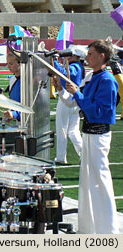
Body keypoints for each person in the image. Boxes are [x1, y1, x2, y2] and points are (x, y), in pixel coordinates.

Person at [54, 39, 119, 234]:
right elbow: (72, 103)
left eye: (90, 54)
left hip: (99, 136)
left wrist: (77, 94)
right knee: (87, 182)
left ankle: (109, 230)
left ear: (102, 56)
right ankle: (89, 228)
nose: (87, 57)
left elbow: (99, 112)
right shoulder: (92, 76)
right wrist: (60, 89)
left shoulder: (108, 80)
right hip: (89, 134)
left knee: (101, 180)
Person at [52, 47, 85, 164]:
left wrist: (54, 61)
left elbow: (64, 74)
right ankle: (84, 154)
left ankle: (61, 157)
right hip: (74, 100)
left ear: (76, 56)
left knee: (61, 129)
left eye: (71, 55)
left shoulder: (74, 67)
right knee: (73, 131)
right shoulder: (79, 66)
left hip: (67, 98)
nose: (68, 56)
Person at [3, 52, 21, 122]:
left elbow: (30, 105)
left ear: (20, 63)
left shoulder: (28, 80)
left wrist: (14, 114)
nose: (8, 66)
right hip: (19, 120)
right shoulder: (12, 79)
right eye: (8, 64)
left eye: (11, 64)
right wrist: (10, 113)